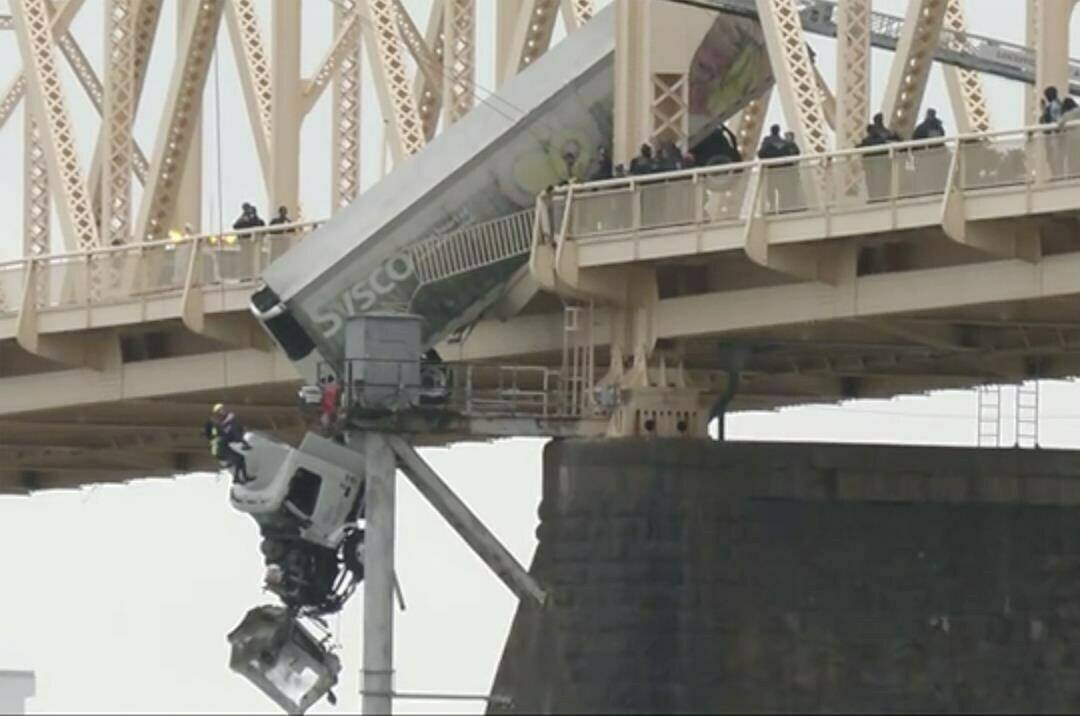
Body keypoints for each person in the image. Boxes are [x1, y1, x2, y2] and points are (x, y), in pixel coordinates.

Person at [204, 403, 251, 483]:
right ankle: (236, 474)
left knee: (241, 458)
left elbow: (225, 428)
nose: (224, 410)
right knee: (237, 459)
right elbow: (219, 427)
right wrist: (228, 420)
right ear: (217, 412)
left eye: (223, 409)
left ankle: (242, 477)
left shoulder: (223, 420)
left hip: (223, 446)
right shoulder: (214, 420)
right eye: (221, 410)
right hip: (219, 448)